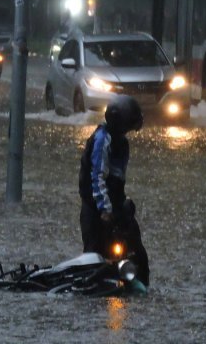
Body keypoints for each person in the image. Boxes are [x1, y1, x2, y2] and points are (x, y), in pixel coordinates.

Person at [79, 95, 150, 286]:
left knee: (138, 251)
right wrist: (104, 209)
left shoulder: (122, 143)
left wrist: (122, 205)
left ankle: (139, 284)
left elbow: (117, 180)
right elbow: (97, 177)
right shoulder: (102, 140)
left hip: (115, 206)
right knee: (94, 257)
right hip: (96, 210)